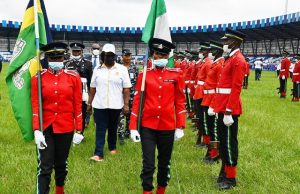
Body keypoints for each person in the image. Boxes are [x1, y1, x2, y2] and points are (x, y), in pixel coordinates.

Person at [129, 38, 186, 194]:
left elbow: (180, 101)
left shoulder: (176, 75)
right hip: (148, 126)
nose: (160, 58)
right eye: (157, 54)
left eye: (163, 55)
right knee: (148, 164)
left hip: (167, 126)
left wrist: (180, 125)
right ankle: (146, 190)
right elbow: (137, 102)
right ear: (153, 54)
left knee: (164, 163)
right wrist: (133, 127)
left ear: (168, 57)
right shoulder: (144, 75)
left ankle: (161, 190)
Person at [31, 42, 84, 194]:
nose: (56, 61)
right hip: (46, 127)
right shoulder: (38, 78)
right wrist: (36, 129)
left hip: (66, 127)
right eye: (52, 58)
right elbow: (36, 105)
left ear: (63, 58)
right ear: (47, 59)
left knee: (61, 164)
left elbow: (77, 105)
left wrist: (79, 130)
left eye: (59, 58)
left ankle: (60, 190)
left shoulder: (73, 77)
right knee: (45, 166)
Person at [212, 28, 247, 189]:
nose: (224, 44)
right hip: (222, 106)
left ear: (234, 42)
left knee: (229, 143)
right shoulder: (230, 58)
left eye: (226, 41)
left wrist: (228, 111)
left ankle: (231, 178)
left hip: (228, 109)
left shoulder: (238, 60)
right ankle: (224, 172)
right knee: (223, 141)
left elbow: (236, 88)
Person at [87, 43, 131, 161]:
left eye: (111, 55)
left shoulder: (122, 69)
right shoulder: (97, 69)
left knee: (112, 127)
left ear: (115, 56)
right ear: (103, 56)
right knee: (100, 128)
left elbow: (126, 89)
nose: (109, 58)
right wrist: (89, 104)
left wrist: (126, 105)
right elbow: (92, 88)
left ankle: (112, 147)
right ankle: (98, 153)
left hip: (116, 104)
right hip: (100, 104)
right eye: (107, 55)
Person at [201, 41, 225, 164]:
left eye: (212, 50)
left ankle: (215, 154)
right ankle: (211, 152)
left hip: (213, 100)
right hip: (207, 98)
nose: (210, 52)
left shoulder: (220, 64)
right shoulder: (215, 63)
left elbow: (219, 87)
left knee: (214, 129)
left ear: (216, 51)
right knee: (210, 128)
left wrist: (213, 105)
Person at [64, 42, 93, 135]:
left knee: (82, 112)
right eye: (74, 51)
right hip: (69, 90)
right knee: (69, 113)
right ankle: (69, 132)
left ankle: (80, 133)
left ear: (81, 51)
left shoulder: (88, 64)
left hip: (83, 92)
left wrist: (90, 97)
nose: (76, 53)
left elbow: (90, 81)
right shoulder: (66, 63)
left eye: (78, 51)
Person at [117, 49, 138, 144]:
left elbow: (137, 81)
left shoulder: (135, 68)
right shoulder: (118, 67)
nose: (128, 57)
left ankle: (128, 132)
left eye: (129, 55)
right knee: (120, 115)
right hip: (120, 95)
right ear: (122, 56)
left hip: (132, 95)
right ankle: (120, 134)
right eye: (126, 55)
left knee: (130, 114)